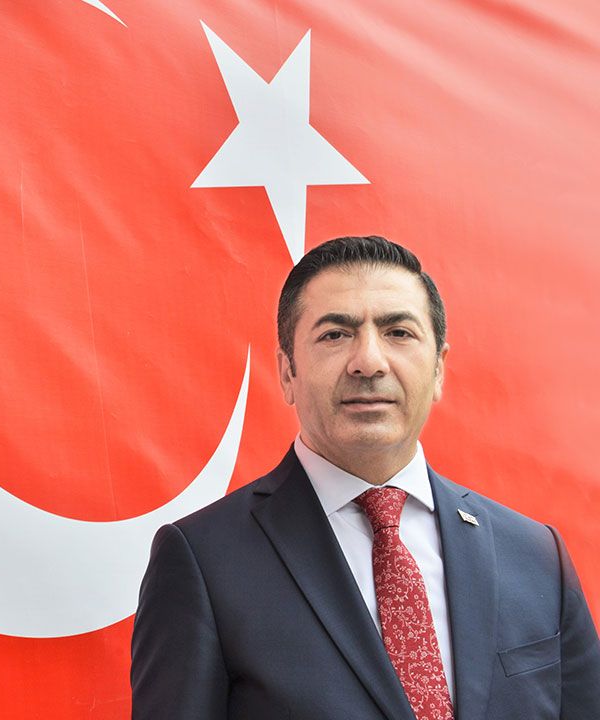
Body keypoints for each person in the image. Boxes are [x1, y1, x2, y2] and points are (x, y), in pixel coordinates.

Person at [131, 236, 600, 719]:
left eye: (398, 332)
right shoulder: (203, 562)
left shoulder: (535, 555)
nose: (369, 362)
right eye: (336, 335)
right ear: (287, 372)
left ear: (439, 368)